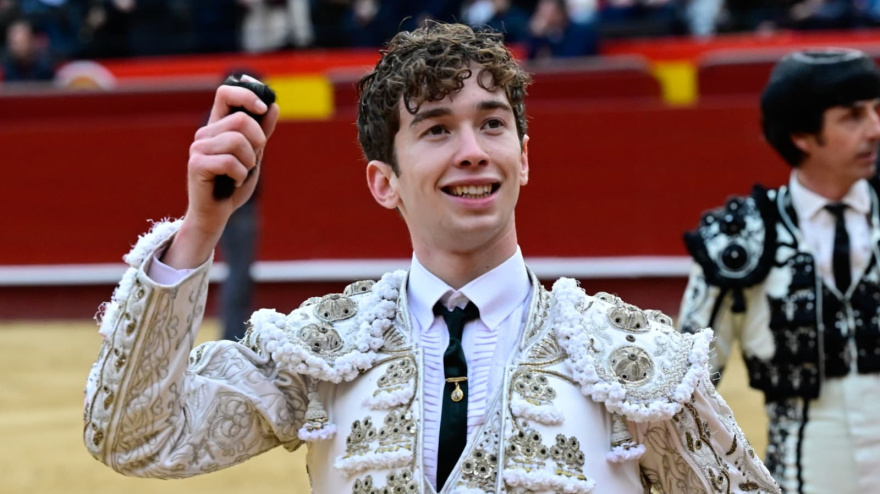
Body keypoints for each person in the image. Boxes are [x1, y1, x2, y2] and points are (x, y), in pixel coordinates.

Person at [83, 22, 777, 493]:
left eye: (492, 123)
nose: (471, 149)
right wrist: (201, 229)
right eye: (437, 129)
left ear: (523, 159)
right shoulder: (324, 350)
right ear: (384, 182)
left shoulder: (628, 358)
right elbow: (136, 437)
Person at [678, 48, 880, 494]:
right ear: (803, 135)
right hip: (799, 479)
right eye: (852, 117)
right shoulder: (740, 242)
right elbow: (685, 385)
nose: (875, 130)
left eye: (877, 111)